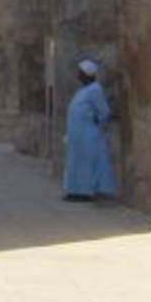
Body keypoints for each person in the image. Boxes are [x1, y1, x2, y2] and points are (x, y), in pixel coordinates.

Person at [63, 58, 117, 200]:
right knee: (75, 162)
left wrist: (96, 121)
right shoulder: (83, 90)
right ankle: (74, 190)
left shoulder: (95, 89)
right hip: (77, 134)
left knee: (86, 163)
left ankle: (85, 192)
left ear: (87, 74)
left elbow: (104, 111)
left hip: (88, 134)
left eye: (80, 73)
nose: (78, 75)